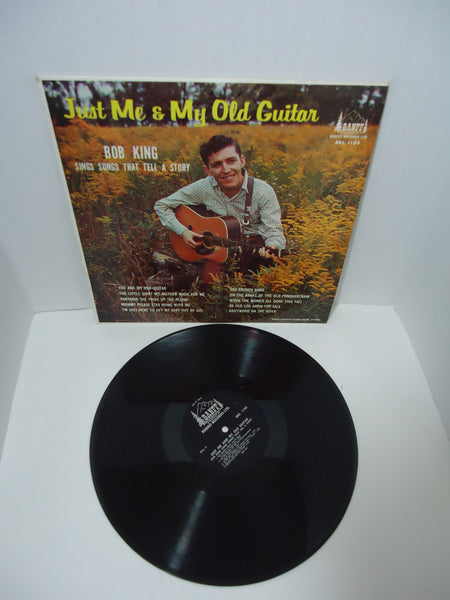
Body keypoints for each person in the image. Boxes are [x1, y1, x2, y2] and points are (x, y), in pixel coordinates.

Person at [154, 135, 286, 283]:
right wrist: (183, 231)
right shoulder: (203, 188)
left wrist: (272, 247)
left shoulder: (263, 191)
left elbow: (273, 231)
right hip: (218, 253)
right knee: (206, 283)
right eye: (217, 164)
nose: (226, 169)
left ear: (242, 161)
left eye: (231, 161)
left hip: (252, 253)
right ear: (208, 170)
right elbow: (161, 205)